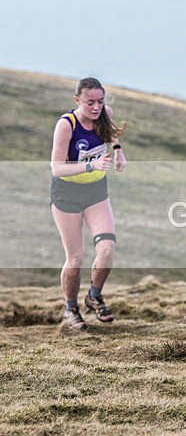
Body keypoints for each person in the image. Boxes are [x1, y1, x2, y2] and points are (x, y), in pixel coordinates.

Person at [50, 77, 127, 330]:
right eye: (90, 102)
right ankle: (70, 309)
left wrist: (118, 151)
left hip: (96, 193)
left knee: (107, 249)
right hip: (67, 195)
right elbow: (57, 168)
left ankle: (94, 296)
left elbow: (111, 132)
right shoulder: (67, 125)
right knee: (76, 258)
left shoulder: (105, 114)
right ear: (77, 100)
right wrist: (90, 165)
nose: (96, 108)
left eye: (100, 102)